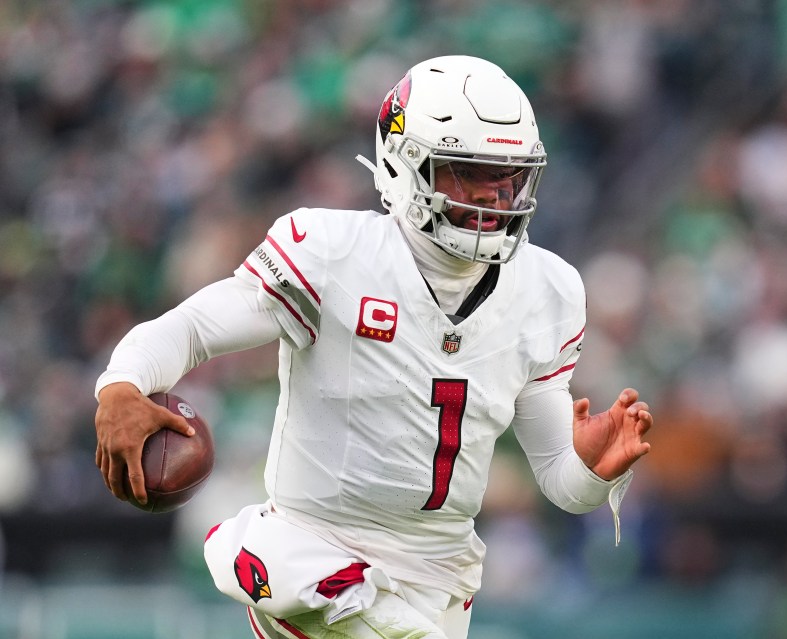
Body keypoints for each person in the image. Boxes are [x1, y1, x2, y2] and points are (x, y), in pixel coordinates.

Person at [94, 55, 653, 639]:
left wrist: (591, 470)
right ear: (404, 164)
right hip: (313, 556)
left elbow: (563, 484)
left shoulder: (548, 290)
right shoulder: (333, 253)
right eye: (470, 173)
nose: (494, 196)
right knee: (284, 564)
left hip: (436, 579)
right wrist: (122, 383)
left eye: (507, 176)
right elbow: (193, 328)